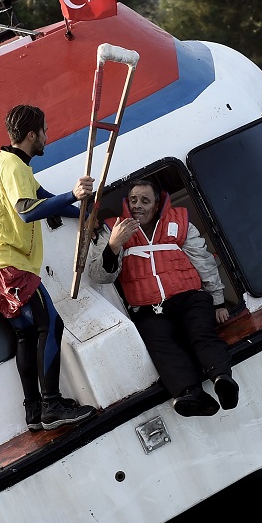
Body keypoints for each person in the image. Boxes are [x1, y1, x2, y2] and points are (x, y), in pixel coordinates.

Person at [0, 104, 97, 431]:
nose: (47, 136)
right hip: (9, 264)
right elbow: (28, 211)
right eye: (44, 130)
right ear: (32, 135)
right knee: (51, 325)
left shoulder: (13, 165)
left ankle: (33, 412)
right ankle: (52, 405)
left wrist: (82, 212)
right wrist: (74, 193)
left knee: (27, 334)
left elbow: (43, 197)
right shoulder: (13, 168)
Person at [87, 179, 239, 418]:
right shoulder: (112, 229)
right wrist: (114, 244)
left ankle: (222, 378)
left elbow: (204, 261)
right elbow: (99, 275)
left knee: (200, 332)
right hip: (149, 308)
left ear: (157, 204)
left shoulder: (180, 223)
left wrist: (218, 301)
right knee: (161, 345)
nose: (138, 205)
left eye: (145, 200)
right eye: (133, 200)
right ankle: (190, 394)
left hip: (190, 298)